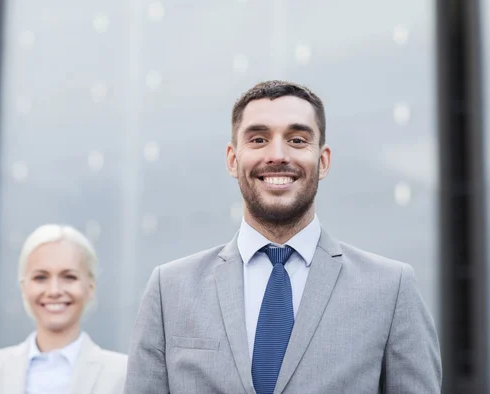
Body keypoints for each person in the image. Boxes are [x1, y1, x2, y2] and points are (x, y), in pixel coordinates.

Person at [124, 80, 441, 393]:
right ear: (233, 160)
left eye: (298, 140)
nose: (277, 155)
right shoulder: (170, 290)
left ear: (324, 160)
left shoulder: (391, 289)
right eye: (259, 140)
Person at [0, 224, 127, 394]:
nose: (54, 291)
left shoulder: (124, 375)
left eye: (69, 277)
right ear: (24, 288)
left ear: (90, 287)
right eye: (41, 277)